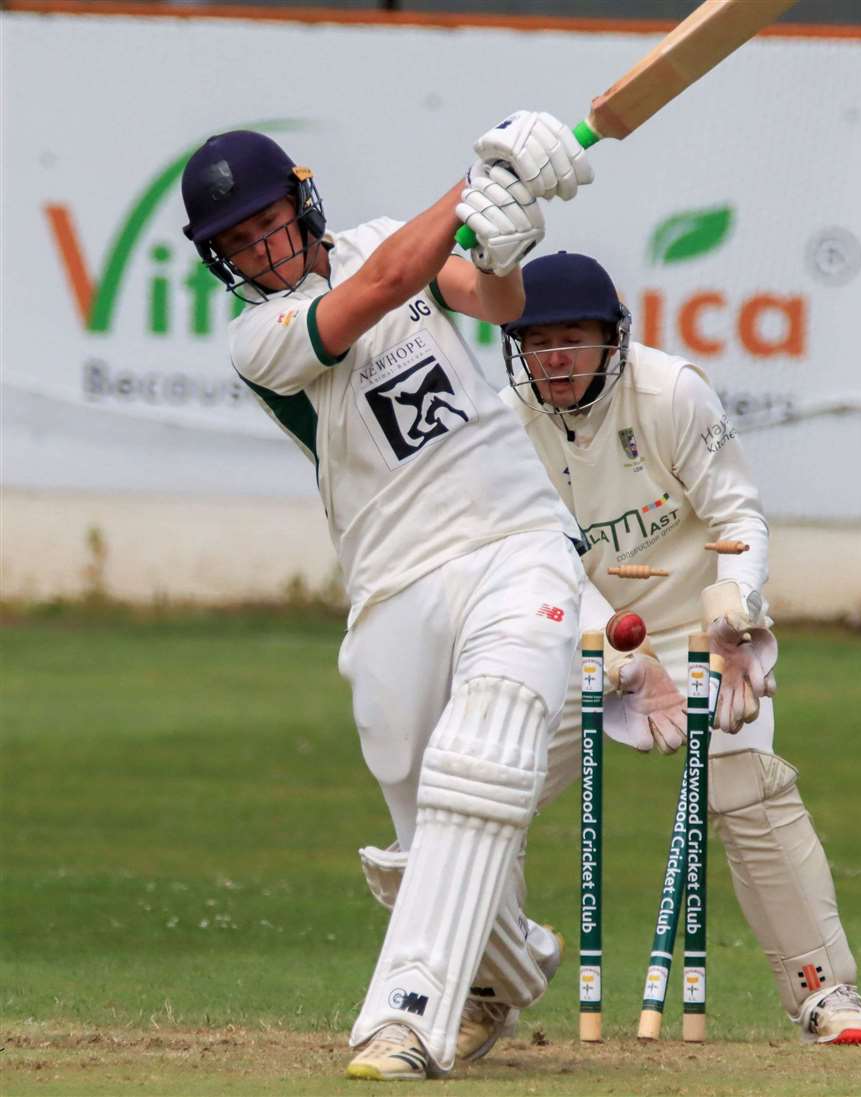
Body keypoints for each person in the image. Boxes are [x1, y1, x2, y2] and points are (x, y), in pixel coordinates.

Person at [179, 116, 595, 1081]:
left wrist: (502, 233)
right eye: (235, 243)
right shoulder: (259, 340)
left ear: (304, 203)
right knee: (434, 822)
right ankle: (500, 968)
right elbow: (380, 289)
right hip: (392, 586)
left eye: (268, 222)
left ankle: (403, 1016)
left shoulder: (374, 236)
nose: (260, 250)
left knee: (479, 759)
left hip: (510, 537)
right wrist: (476, 179)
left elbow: (495, 301)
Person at [498, 251, 861, 1049]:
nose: (554, 359)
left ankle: (825, 990)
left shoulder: (669, 391)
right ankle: (481, 983)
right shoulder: (508, 421)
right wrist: (613, 646)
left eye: (572, 338)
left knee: (745, 783)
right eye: (537, 342)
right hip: (586, 628)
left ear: (612, 341)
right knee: (490, 784)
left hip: (697, 632)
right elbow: (538, 556)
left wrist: (732, 617)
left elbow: (737, 516)